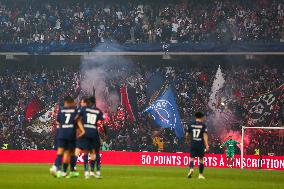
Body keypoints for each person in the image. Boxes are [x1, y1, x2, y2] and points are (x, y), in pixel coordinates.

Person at [50, 96, 85, 178]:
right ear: (71, 102)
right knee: (70, 153)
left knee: (60, 153)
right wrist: (82, 130)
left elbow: (59, 122)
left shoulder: (61, 110)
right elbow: (78, 121)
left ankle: (56, 167)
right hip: (70, 134)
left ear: (65, 102)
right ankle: (68, 171)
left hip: (61, 133)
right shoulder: (75, 110)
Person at [75, 97, 106, 179]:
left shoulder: (84, 109)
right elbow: (103, 121)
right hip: (94, 133)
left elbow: (77, 119)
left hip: (86, 132)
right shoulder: (97, 110)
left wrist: (81, 129)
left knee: (85, 152)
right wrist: (105, 133)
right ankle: (95, 172)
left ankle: (86, 172)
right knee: (94, 152)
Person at [185, 112, 209, 179]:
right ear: (201, 117)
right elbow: (205, 135)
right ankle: (200, 175)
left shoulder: (191, 124)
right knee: (201, 159)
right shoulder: (203, 125)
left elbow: (187, 134)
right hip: (200, 144)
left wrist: (187, 140)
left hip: (193, 143)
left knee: (192, 158)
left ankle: (191, 169)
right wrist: (207, 145)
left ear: (196, 117)